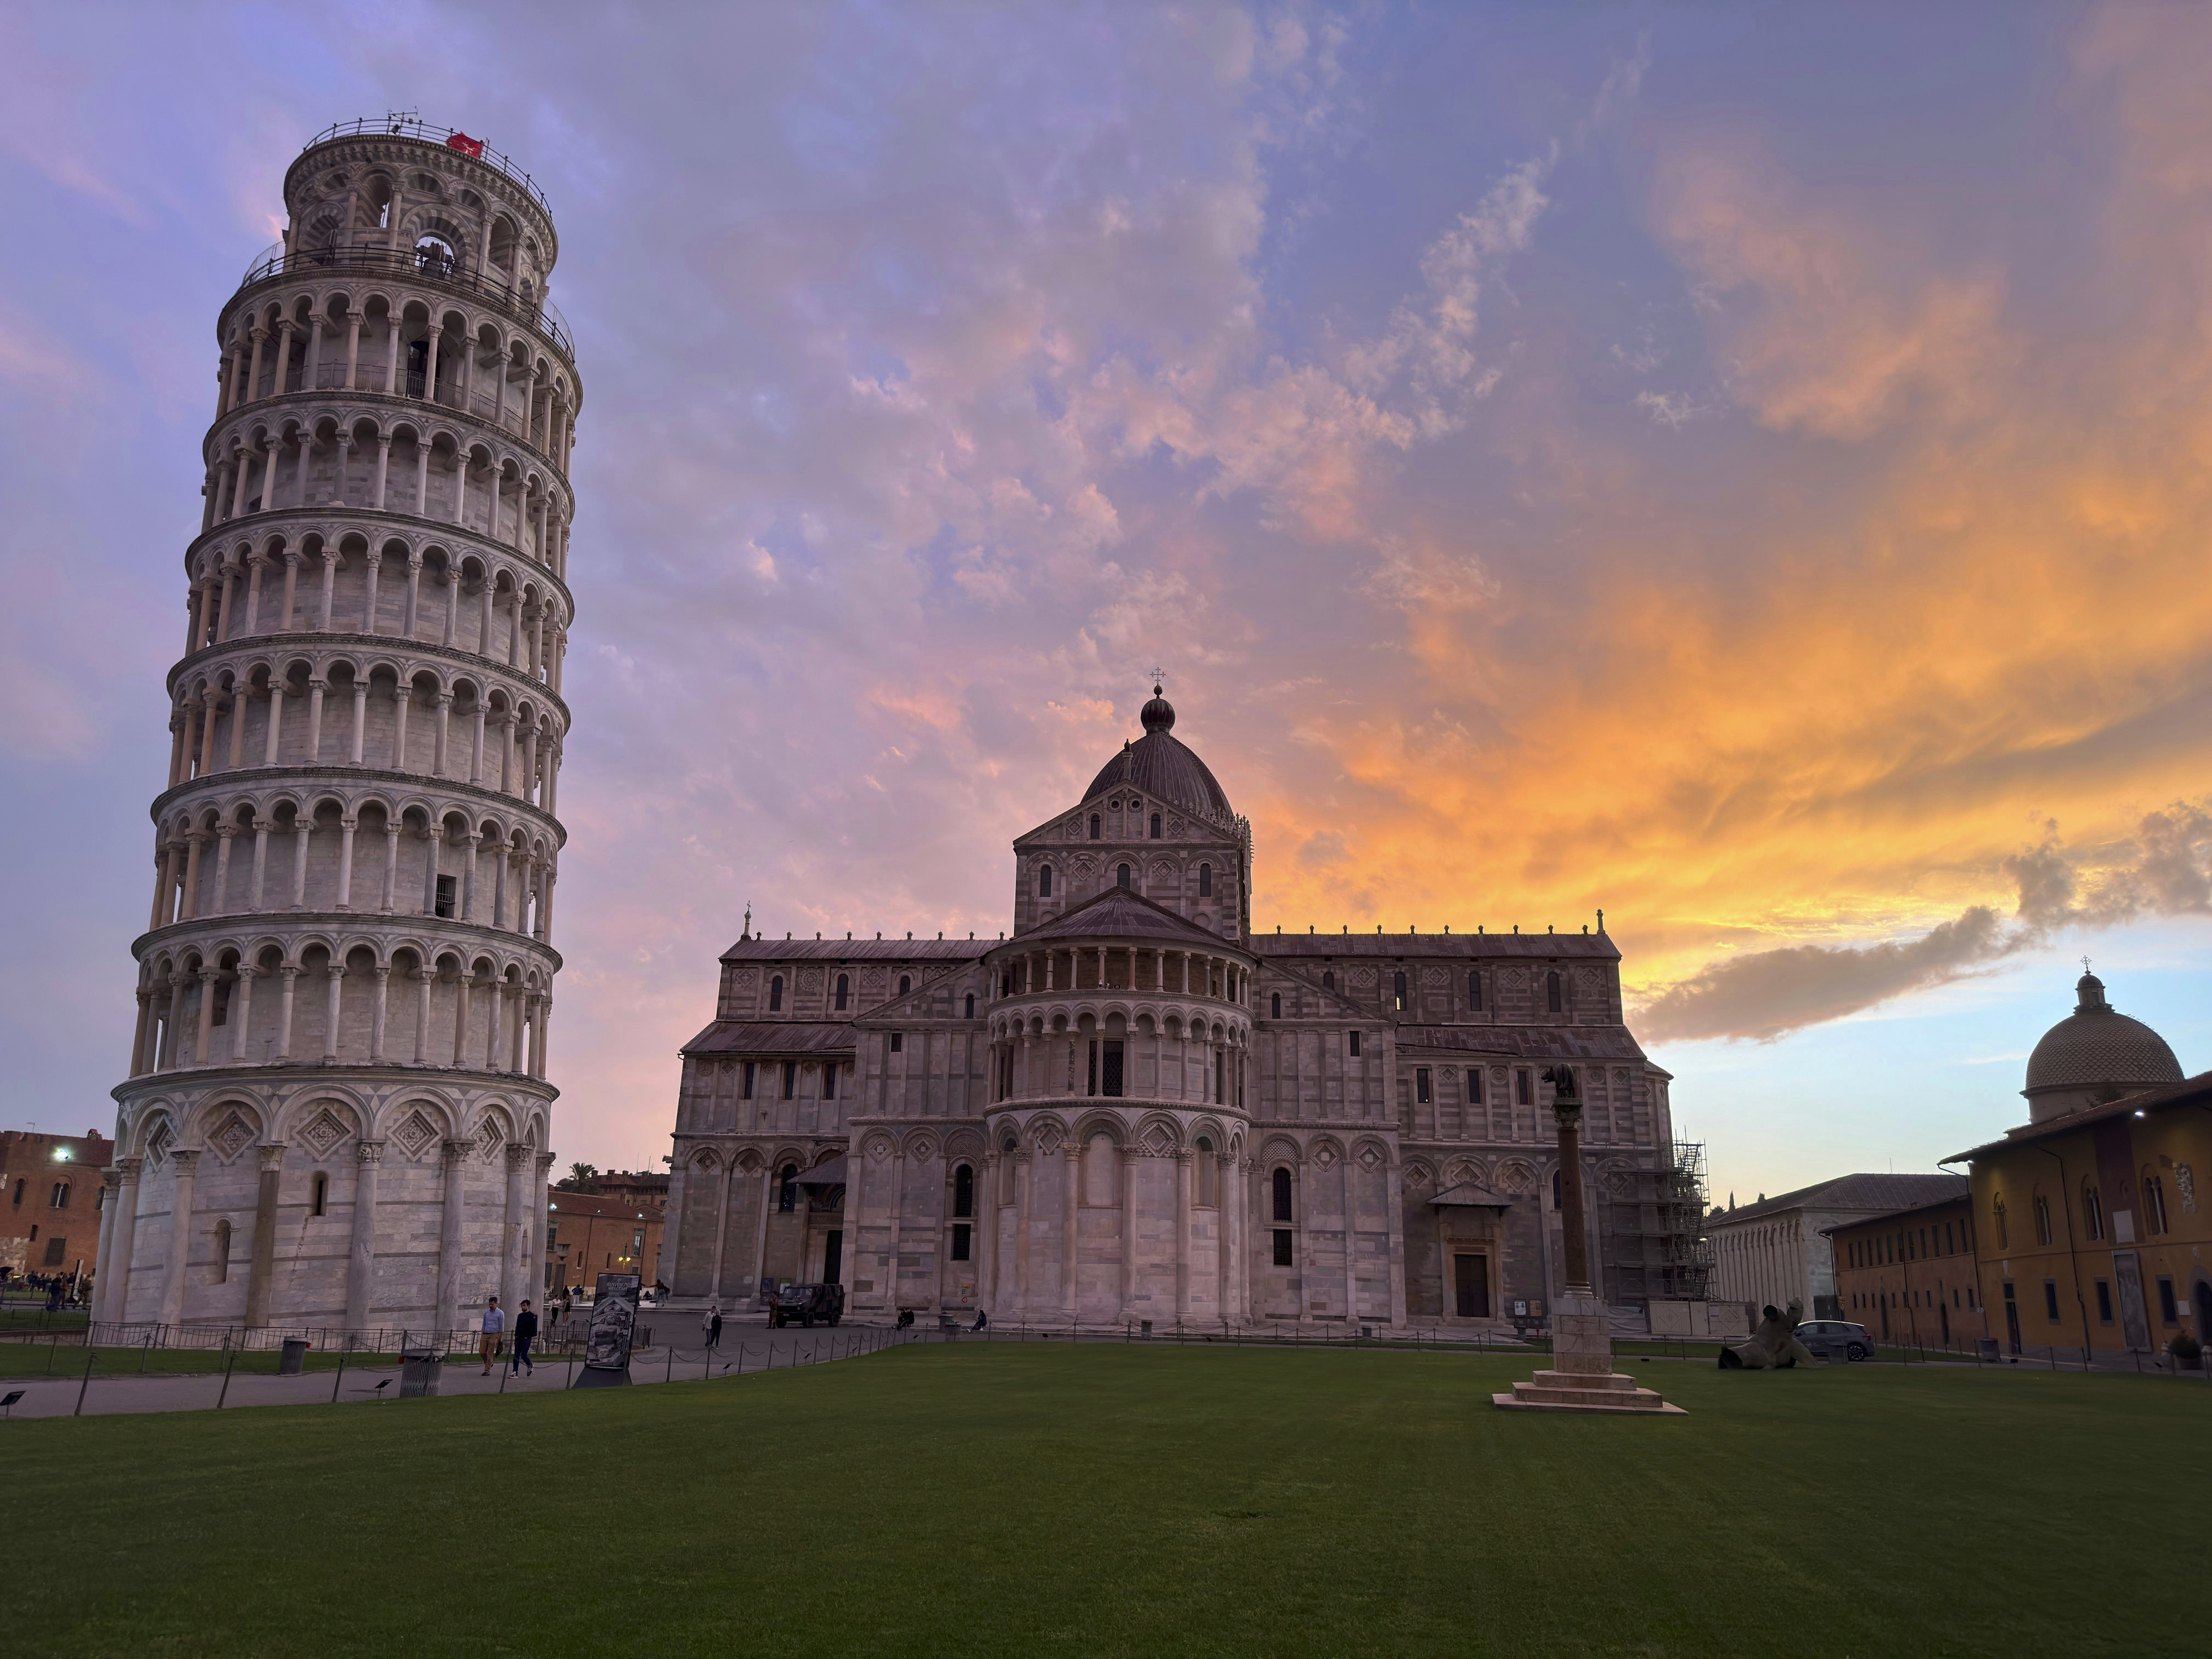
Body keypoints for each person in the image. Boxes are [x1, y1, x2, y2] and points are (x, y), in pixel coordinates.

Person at [510, 1299, 538, 1377]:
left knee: (523, 1355)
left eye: (524, 1306)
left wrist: (529, 1336)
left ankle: (530, 1365)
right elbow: (518, 1326)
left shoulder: (532, 1316)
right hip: (519, 1337)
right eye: (522, 1306)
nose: (523, 1307)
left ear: (528, 1306)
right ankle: (515, 1372)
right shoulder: (520, 1316)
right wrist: (516, 1335)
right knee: (516, 1355)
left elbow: (534, 1328)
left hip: (526, 1339)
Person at [478, 1296, 505, 1374]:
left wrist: (500, 1337)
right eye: (490, 1304)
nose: (491, 1306)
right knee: (482, 1352)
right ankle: (489, 1363)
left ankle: (487, 1370)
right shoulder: (487, 1313)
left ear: (496, 1304)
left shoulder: (500, 1313)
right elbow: (484, 1323)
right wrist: (482, 1333)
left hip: (495, 1334)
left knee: (489, 1353)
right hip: (486, 1333)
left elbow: (501, 1326)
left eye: (492, 1304)